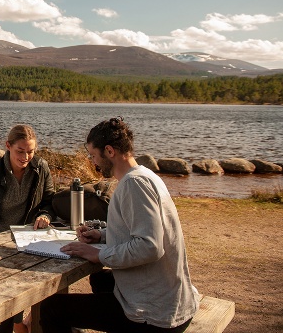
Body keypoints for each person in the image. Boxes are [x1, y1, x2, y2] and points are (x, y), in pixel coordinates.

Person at [39, 117, 199, 333]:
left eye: (94, 155)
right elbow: (138, 228)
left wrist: (99, 255)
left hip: (157, 314)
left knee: (51, 309)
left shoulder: (134, 185)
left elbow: (150, 246)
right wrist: (102, 235)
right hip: (169, 298)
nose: (93, 163)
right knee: (100, 280)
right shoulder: (145, 175)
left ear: (109, 151)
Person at [0, 124, 55, 333]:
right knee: (4, 302)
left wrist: (45, 215)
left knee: (44, 290)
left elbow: (49, 201)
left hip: (30, 239)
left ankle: (26, 325)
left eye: (31, 151)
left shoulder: (41, 168)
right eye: (20, 151)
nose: (26, 156)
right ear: (8, 146)